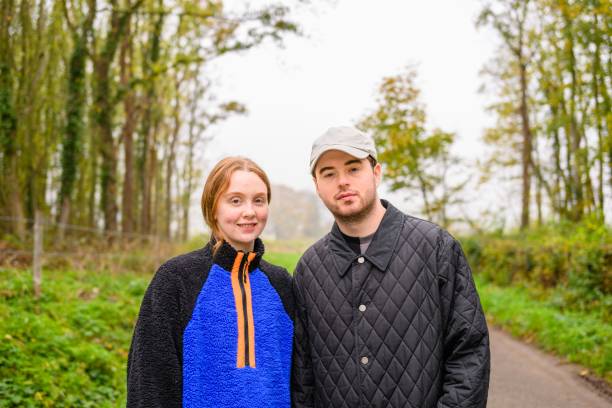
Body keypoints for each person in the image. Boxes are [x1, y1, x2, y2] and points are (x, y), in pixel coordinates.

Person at [292, 126, 490, 407]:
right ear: (317, 185)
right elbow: (303, 378)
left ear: (376, 172)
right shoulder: (309, 269)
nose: (342, 182)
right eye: (329, 173)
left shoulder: (435, 248)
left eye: (353, 169)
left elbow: (469, 353)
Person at [127, 157, 294, 408]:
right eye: (235, 200)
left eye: (258, 200)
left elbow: (301, 377)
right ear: (213, 208)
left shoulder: (281, 283)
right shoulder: (176, 279)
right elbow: (149, 381)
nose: (249, 211)